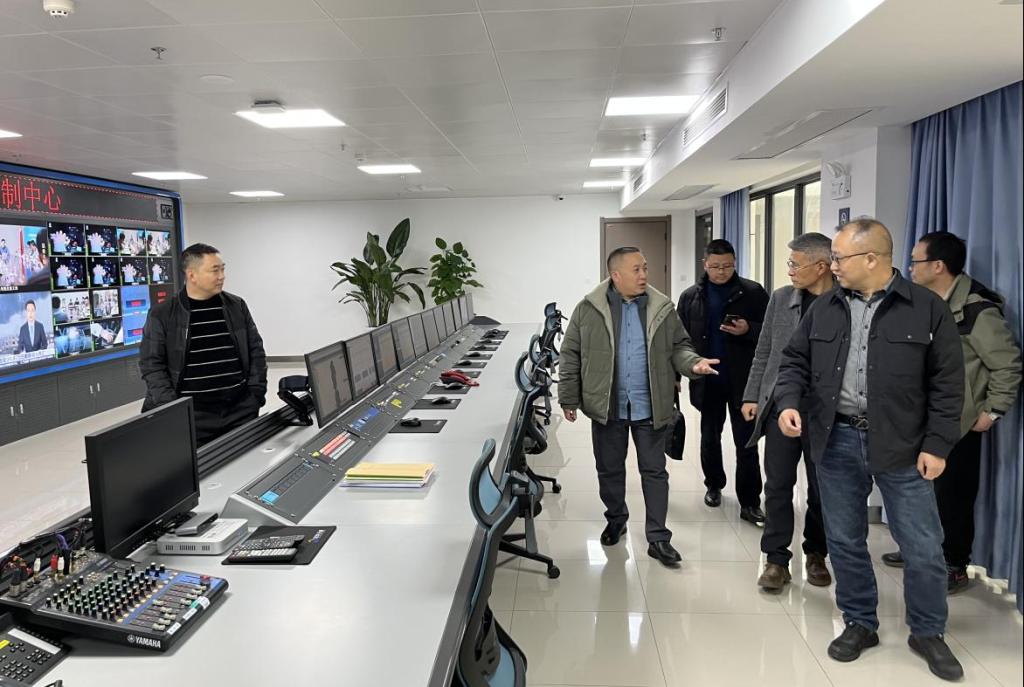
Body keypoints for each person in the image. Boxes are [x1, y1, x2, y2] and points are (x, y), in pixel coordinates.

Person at [775, 218, 965, 681]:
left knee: (922, 544)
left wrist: (937, 445)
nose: (833, 266)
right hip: (835, 438)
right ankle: (860, 621)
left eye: (839, 258)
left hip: (904, 444)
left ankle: (928, 631)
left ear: (872, 259)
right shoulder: (825, 307)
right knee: (844, 539)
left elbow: (948, 383)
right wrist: (788, 402)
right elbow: (794, 359)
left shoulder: (926, 308)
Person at [559, 247, 720, 567]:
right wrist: (568, 397)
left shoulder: (661, 308)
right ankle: (616, 518)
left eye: (645, 267)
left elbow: (680, 347)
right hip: (607, 405)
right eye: (636, 269)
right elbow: (570, 353)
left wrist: (693, 364)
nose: (644, 274)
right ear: (615, 275)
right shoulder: (588, 309)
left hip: (650, 404)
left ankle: (658, 537)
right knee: (609, 469)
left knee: (655, 472)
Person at [881, 232, 1022, 592]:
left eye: (916, 262)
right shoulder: (922, 303)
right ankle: (919, 550)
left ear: (938, 266)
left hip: (958, 420)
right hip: (919, 415)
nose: (910, 268)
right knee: (917, 491)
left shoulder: (976, 310)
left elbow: (1007, 364)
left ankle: (954, 564)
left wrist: (993, 411)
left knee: (953, 496)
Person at [741, 232, 835, 591]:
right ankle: (776, 559)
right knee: (778, 485)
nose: (790, 270)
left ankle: (816, 553)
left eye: (796, 264)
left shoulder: (844, 303)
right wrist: (752, 395)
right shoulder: (781, 299)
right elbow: (764, 350)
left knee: (821, 488)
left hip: (824, 413)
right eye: (789, 263)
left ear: (821, 266)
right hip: (781, 406)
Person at [677, 239, 769, 523]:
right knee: (709, 438)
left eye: (727, 266)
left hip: (744, 382)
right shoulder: (691, 297)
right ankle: (714, 485)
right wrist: (676, 377)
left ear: (735, 263)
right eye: (715, 266)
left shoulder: (753, 293)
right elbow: (678, 341)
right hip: (708, 380)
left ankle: (750, 501)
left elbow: (771, 334)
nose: (721, 271)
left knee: (746, 443)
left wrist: (748, 329)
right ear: (705, 264)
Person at [139, 243, 267, 446]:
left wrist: (254, 396)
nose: (222, 276)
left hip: (239, 413)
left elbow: (256, 352)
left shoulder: (236, 306)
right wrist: (174, 410)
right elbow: (152, 366)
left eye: (223, 269)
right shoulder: (162, 314)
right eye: (215, 270)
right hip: (191, 418)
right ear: (192, 275)